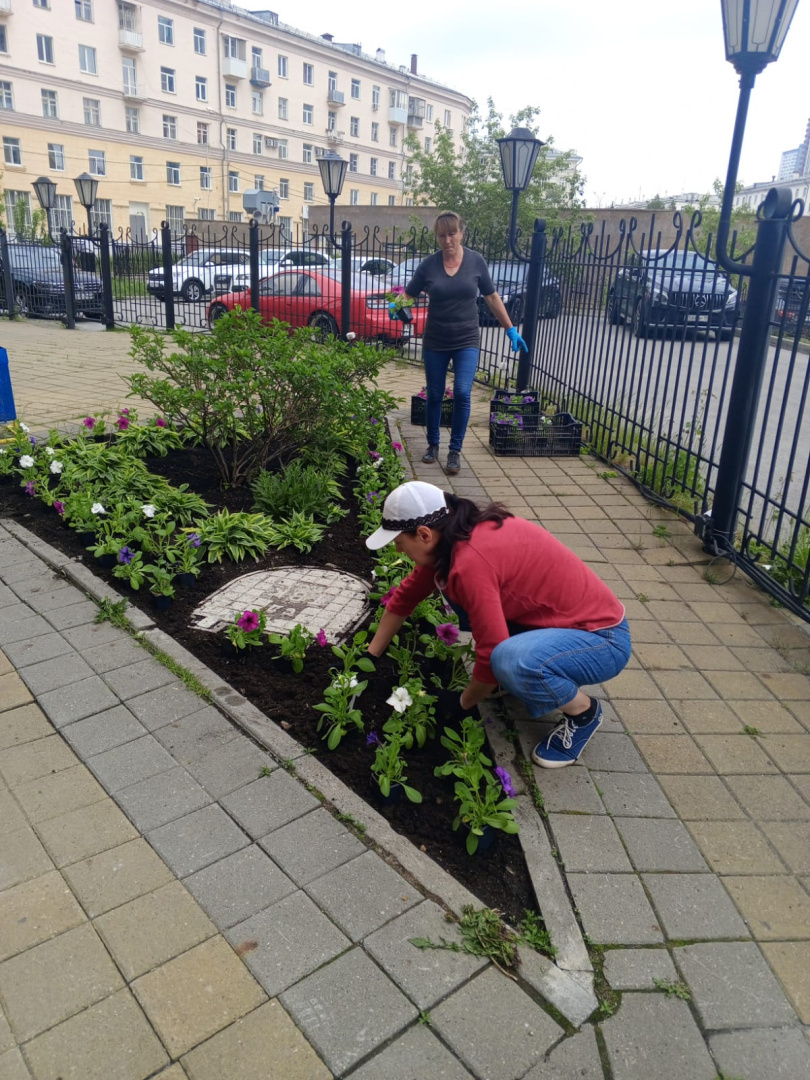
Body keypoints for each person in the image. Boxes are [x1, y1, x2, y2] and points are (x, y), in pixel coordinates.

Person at [366, 481, 631, 768]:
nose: (398, 549)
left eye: (399, 543)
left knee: (508, 661)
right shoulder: (456, 535)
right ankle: (523, 674)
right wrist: (371, 655)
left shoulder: (471, 562)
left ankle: (583, 712)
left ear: (424, 534)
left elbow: (491, 650)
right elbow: (406, 597)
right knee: (472, 615)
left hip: (602, 640)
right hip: (560, 624)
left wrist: (463, 703)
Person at [391, 211, 527, 476]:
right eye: (442, 235)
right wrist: (395, 306)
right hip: (436, 340)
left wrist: (510, 329)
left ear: (461, 233)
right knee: (434, 395)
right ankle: (433, 445)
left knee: (463, 392)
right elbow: (407, 295)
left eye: (452, 233)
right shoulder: (428, 266)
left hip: (466, 339)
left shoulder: (476, 261)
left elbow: (492, 297)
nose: (447, 239)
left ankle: (455, 451)